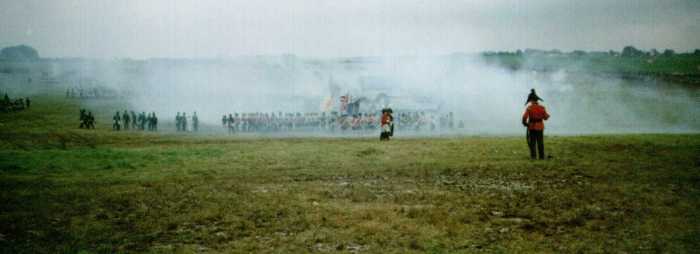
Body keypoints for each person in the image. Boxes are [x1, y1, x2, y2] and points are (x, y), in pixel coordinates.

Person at [522, 89, 550, 160]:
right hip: (540, 127)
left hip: (531, 127)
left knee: (532, 143)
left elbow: (524, 117)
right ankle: (541, 156)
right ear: (537, 100)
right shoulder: (542, 108)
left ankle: (533, 157)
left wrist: (525, 124)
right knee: (540, 142)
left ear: (531, 100)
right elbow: (546, 117)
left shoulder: (529, 108)